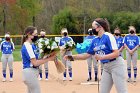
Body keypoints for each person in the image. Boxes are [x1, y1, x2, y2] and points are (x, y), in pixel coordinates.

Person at [64, 18, 127, 93]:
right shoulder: (95, 40)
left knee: (121, 91)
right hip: (106, 67)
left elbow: (116, 53)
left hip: (116, 65)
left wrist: (101, 57)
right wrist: (72, 57)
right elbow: (87, 55)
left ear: (100, 27)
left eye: (93, 27)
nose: (92, 29)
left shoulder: (108, 36)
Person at [21, 26, 56, 93]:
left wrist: (49, 55)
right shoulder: (27, 46)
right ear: (29, 34)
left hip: (31, 73)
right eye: (35, 34)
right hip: (29, 73)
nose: (37, 36)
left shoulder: (32, 45)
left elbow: (39, 58)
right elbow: (35, 63)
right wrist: (49, 59)